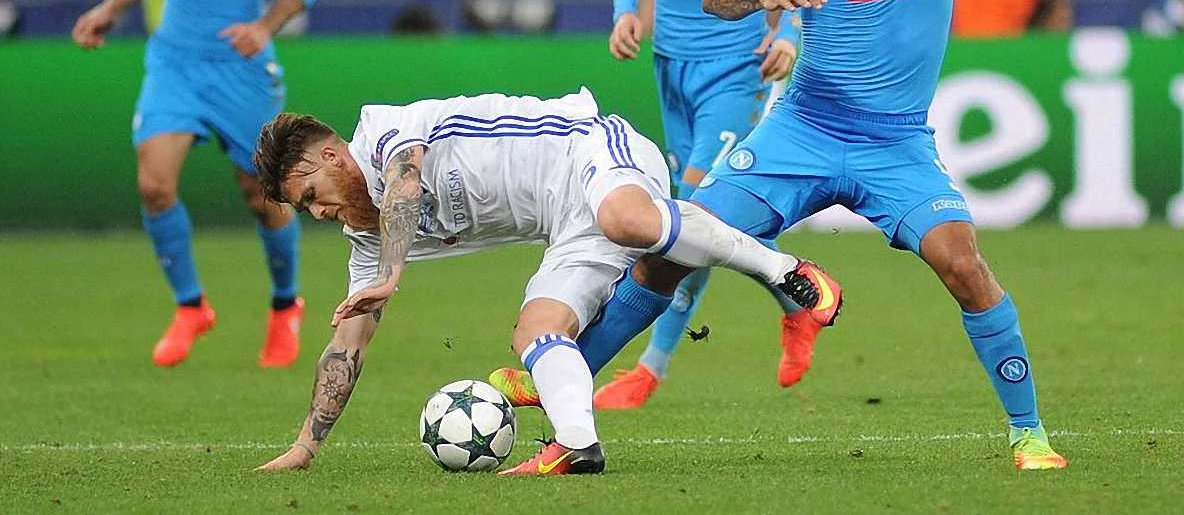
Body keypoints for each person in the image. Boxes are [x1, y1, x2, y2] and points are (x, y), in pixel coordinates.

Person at [694, 0, 1075, 471]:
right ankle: (561, 390)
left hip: (896, 146)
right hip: (803, 129)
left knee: (964, 265)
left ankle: (1030, 436)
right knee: (674, 246)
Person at [249, 89, 836, 475]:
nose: (317, 212)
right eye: (305, 209)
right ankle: (577, 446)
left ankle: (787, 272)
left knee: (626, 219)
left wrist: (392, 273)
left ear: (333, 156)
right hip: (565, 225)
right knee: (536, 332)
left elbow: (406, 183)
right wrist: (305, 446)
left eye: (311, 195)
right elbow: (347, 344)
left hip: (589, 150)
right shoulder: (366, 238)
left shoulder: (381, 132)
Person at [71, 0, 323, 369]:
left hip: (239, 67)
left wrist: (264, 26)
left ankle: (285, 306)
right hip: (174, 61)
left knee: (262, 195)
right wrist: (109, 8)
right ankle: (191, 307)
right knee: (154, 186)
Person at [593, 0, 818, 411]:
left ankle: (650, 367)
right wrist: (625, 10)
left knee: (688, 216)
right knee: (704, 220)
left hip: (738, 67)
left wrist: (788, 31)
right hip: (672, 67)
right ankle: (799, 300)